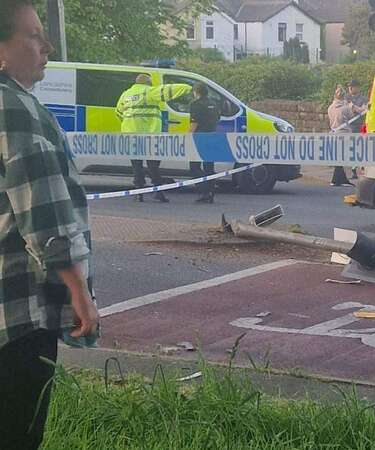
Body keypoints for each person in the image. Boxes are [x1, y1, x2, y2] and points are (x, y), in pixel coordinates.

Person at [0, 1, 99, 448]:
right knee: (19, 431)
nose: (47, 45)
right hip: (20, 312)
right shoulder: (16, 108)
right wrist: (79, 292)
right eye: (33, 35)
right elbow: (44, 214)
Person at [116, 74, 191, 202]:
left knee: (137, 165)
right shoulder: (149, 92)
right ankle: (158, 192)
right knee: (153, 165)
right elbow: (170, 90)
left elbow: (118, 112)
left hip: (131, 135)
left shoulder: (125, 94)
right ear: (148, 83)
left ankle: (138, 193)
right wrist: (189, 87)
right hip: (150, 135)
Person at [328, 84, 365, 186]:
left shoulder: (330, 108)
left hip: (334, 133)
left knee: (338, 157)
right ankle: (342, 179)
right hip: (345, 134)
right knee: (347, 157)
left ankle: (337, 179)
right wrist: (359, 107)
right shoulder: (345, 108)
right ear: (344, 96)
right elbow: (356, 114)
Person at [188, 82, 220, 203]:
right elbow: (217, 119)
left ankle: (204, 191)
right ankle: (211, 191)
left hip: (199, 138)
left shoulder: (195, 104)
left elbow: (194, 123)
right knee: (209, 166)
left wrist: (187, 137)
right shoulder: (214, 103)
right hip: (212, 136)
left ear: (196, 92)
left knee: (194, 167)